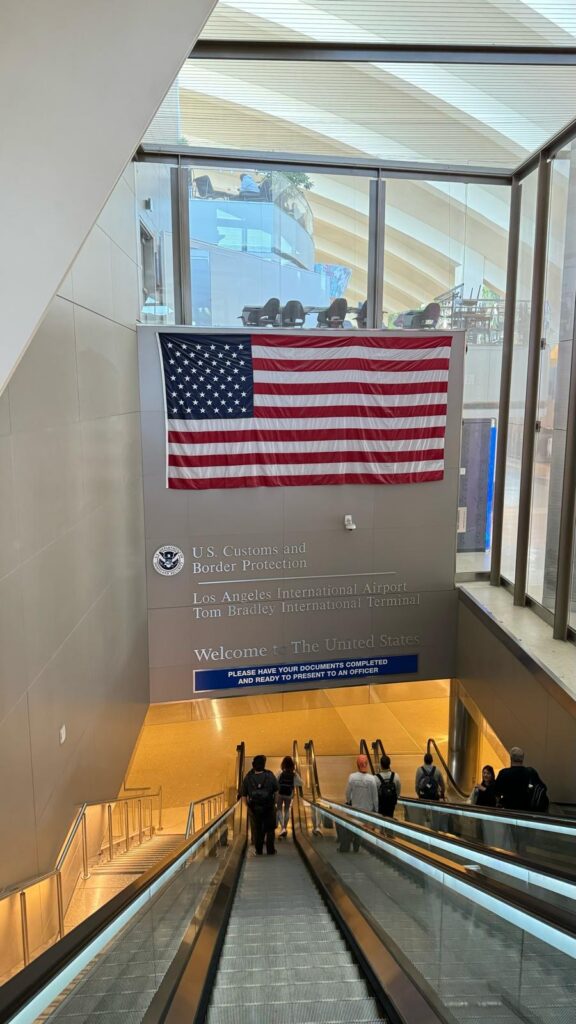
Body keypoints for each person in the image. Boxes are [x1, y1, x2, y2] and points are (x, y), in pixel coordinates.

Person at [339, 754, 379, 852]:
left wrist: (349, 802)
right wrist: (376, 810)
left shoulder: (352, 777)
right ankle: (360, 845)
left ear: (357, 765)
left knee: (355, 827)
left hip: (355, 809)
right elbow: (375, 797)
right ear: (367, 764)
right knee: (365, 828)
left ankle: (354, 845)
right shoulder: (372, 779)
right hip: (368, 810)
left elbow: (347, 793)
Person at [241, 754, 278, 855]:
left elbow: (243, 795)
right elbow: (276, 791)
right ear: (264, 764)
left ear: (253, 765)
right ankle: (270, 850)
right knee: (270, 829)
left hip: (254, 808)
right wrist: (274, 803)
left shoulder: (248, 778)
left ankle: (259, 850)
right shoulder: (270, 775)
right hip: (269, 807)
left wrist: (248, 807)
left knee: (257, 829)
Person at [494, 747, 548, 812]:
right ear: (523, 758)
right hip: (526, 810)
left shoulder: (504, 773)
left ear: (511, 758)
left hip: (508, 809)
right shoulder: (530, 772)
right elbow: (543, 787)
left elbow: (496, 792)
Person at [276, 755, 303, 838]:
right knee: (287, 809)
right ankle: (285, 826)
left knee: (279, 809)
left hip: (280, 794)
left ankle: (283, 828)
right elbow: (301, 783)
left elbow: (274, 780)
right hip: (289, 794)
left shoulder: (280, 772)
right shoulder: (294, 774)